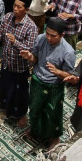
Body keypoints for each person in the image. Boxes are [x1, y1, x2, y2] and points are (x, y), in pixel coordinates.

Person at [23, 18, 76, 148]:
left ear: (62, 35)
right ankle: (35, 129)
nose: (49, 38)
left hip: (54, 85)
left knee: (52, 113)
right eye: (47, 33)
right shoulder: (41, 39)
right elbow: (35, 59)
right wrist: (30, 57)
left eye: (53, 36)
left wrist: (58, 72)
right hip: (38, 79)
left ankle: (54, 138)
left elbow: (70, 75)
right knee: (35, 107)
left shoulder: (68, 51)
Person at [0, 0, 38, 126]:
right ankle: (5, 107)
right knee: (4, 86)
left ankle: (21, 115)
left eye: (18, 7)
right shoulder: (8, 17)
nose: (15, 8)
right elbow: (1, 38)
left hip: (19, 67)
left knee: (20, 92)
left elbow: (30, 49)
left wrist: (16, 42)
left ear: (26, 10)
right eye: (14, 5)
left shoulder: (31, 27)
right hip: (6, 62)